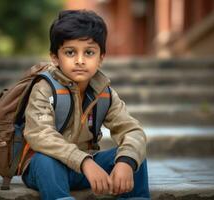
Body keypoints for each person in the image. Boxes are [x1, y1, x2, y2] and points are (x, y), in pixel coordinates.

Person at [21, 10, 150, 200]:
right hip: (48, 169)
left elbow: (132, 131)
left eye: (89, 52)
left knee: (135, 154)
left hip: (84, 166)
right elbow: (40, 135)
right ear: (55, 57)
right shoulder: (44, 88)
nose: (80, 60)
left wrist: (126, 161)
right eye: (70, 52)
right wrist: (84, 162)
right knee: (44, 160)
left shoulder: (104, 93)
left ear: (101, 57)